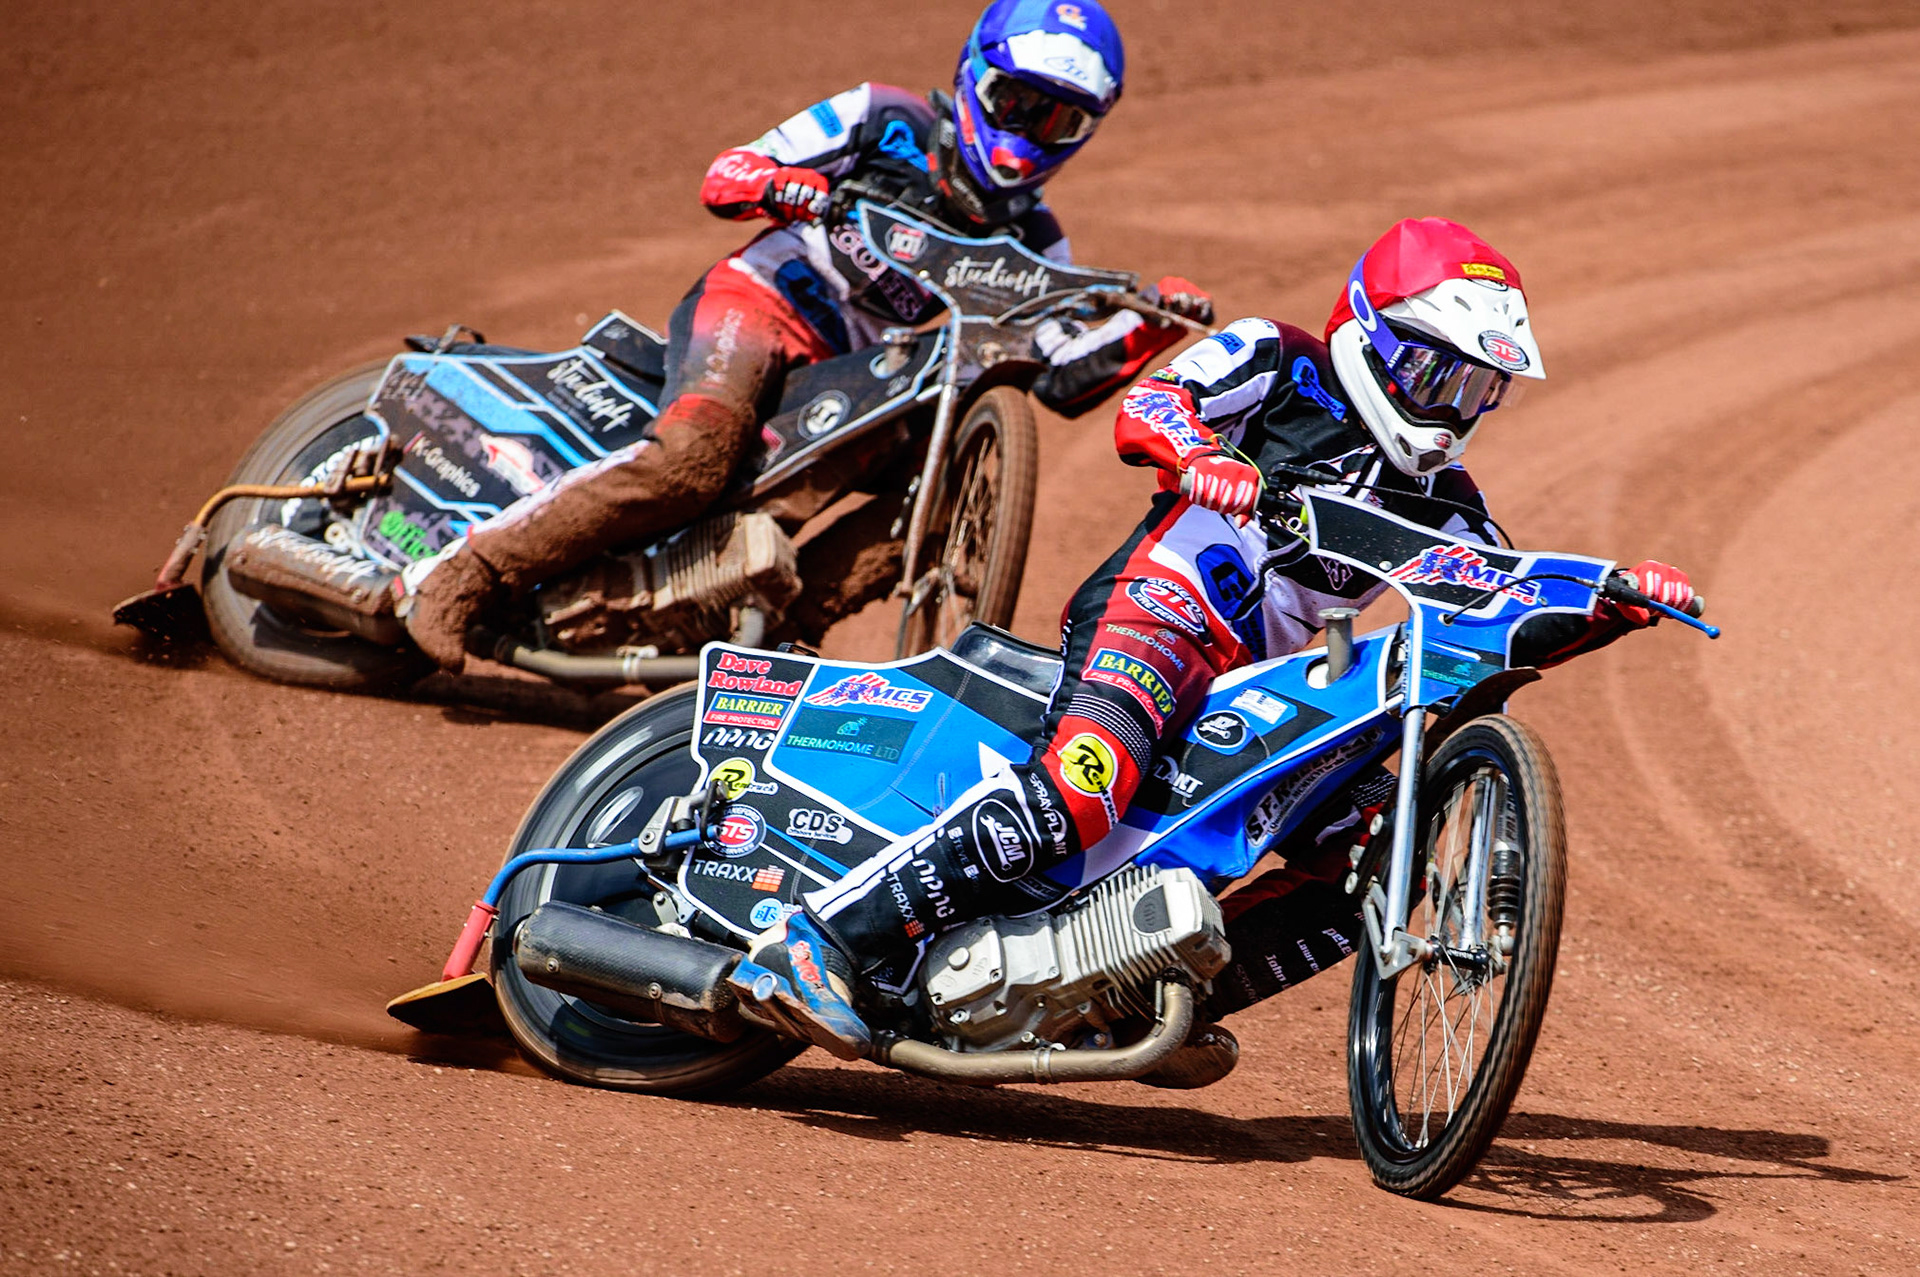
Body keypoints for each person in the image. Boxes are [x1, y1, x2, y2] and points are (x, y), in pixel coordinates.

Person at [729, 216, 1697, 1074]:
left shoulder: (1454, 508)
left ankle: (1140, 996)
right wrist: (1199, 455)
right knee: (1083, 782)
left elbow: (1492, 624)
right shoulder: (1278, 357)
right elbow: (1150, 406)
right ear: (1372, 334)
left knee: (1351, 867)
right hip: (1166, 607)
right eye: (1436, 370)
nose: (1451, 402)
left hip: (1270, 689)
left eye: (1479, 385)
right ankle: (820, 939)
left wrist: (1608, 603)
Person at [403, 0, 1212, 671]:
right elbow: (728, 174)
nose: (1028, 132)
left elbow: (1054, 372)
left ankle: (776, 654)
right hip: (760, 301)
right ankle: (460, 573)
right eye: (1016, 103)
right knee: (692, 461)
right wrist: (783, 185)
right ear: (974, 75)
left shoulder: (1037, 242)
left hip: (858, 372)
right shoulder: (880, 117)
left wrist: (1146, 332)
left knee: (932, 500)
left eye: (1059, 120)